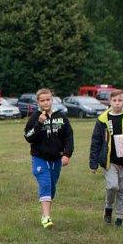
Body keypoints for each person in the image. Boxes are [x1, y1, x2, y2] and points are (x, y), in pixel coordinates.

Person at [89, 89, 123, 227]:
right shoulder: (102, 119)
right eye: (114, 101)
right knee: (113, 186)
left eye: (120, 101)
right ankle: (108, 207)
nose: (117, 103)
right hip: (109, 161)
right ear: (110, 102)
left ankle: (119, 216)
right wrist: (93, 163)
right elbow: (95, 141)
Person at [23, 88, 73, 229]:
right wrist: (39, 123)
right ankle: (46, 217)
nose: (45, 102)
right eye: (42, 100)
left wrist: (67, 154)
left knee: (51, 188)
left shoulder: (61, 116)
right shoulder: (34, 117)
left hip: (56, 159)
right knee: (45, 184)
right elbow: (28, 137)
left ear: (52, 99)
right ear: (38, 102)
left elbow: (69, 136)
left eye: (48, 99)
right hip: (39, 158)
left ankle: (46, 213)